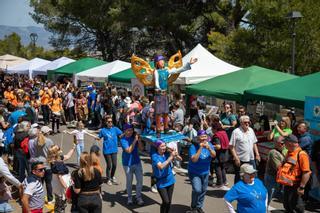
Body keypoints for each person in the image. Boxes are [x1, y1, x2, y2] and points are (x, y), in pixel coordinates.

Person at [152, 55, 197, 135]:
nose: (162, 62)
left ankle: (166, 129)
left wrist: (189, 64)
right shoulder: (156, 71)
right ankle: (158, 130)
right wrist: (158, 88)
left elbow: (177, 70)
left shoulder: (166, 70)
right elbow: (156, 83)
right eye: (160, 61)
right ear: (156, 63)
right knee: (158, 113)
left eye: (163, 60)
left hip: (165, 94)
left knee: (166, 112)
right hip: (159, 95)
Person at [277, 134, 312, 213]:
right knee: (287, 205)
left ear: (290, 143)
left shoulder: (301, 154)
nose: (284, 145)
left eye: (284, 143)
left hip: (296, 187)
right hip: (287, 186)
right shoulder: (289, 152)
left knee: (296, 207)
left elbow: (306, 172)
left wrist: (302, 187)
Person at [187, 130, 216, 213]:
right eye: (202, 136)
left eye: (205, 136)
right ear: (198, 137)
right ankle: (193, 207)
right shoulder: (193, 146)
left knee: (203, 190)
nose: (204, 138)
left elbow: (213, 155)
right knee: (197, 190)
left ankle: (199, 206)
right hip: (194, 172)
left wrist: (209, 148)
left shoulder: (209, 145)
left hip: (205, 172)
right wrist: (200, 148)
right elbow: (194, 160)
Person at [229, 115, 260, 183]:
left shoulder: (251, 130)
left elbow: (254, 143)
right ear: (241, 123)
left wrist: (257, 154)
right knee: (239, 178)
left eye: (248, 122)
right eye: (245, 122)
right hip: (241, 159)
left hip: (251, 158)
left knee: (253, 176)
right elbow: (231, 146)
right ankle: (237, 192)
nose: (247, 124)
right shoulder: (236, 132)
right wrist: (236, 158)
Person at [151, 140, 179, 213]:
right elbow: (161, 166)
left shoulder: (167, 153)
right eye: (162, 146)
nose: (164, 147)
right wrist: (171, 157)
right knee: (165, 201)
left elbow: (180, 159)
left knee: (169, 202)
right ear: (157, 147)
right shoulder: (154, 156)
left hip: (170, 180)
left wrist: (175, 154)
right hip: (161, 182)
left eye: (165, 145)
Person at [120, 123, 144, 206]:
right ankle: (129, 198)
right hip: (127, 164)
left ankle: (138, 197)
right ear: (125, 131)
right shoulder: (123, 140)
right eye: (128, 130)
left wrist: (139, 140)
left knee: (140, 181)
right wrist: (135, 141)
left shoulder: (135, 137)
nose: (130, 132)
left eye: (131, 130)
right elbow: (129, 150)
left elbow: (141, 148)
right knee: (129, 181)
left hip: (137, 162)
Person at [48, 144, 76, 213]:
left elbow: (67, 156)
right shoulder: (57, 163)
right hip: (60, 186)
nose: (60, 149)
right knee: (60, 205)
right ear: (56, 152)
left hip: (57, 184)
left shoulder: (57, 159)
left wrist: (73, 148)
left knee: (59, 203)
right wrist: (66, 187)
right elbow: (59, 177)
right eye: (59, 148)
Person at [98, 115, 123, 185]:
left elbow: (120, 135)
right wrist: (96, 138)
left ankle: (112, 176)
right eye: (109, 122)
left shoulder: (115, 129)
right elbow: (98, 137)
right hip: (107, 150)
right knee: (109, 165)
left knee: (114, 165)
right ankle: (108, 179)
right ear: (106, 122)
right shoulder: (103, 130)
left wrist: (125, 134)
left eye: (111, 121)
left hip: (114, 150)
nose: (110, 123)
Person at [264, 136, 285, 205]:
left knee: (272, 194)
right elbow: (278, 167)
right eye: (280, 143)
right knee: (268, 196)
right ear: (275, 143)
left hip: (276, 177)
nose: (282, 144)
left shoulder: (281, 152)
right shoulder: (273, 152)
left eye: (283, 143)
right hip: (271, 177)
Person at [211, 122, 229, 188]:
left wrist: (210, 146)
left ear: (215, 129)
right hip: (225, 154)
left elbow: (218, 146)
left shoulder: (217, 135)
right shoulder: (224, 133)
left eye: (212, 128)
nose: (211, 130)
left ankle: (219, 183)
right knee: (222, 168)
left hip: (219, 155)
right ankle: (225, 181)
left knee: (217, 168)